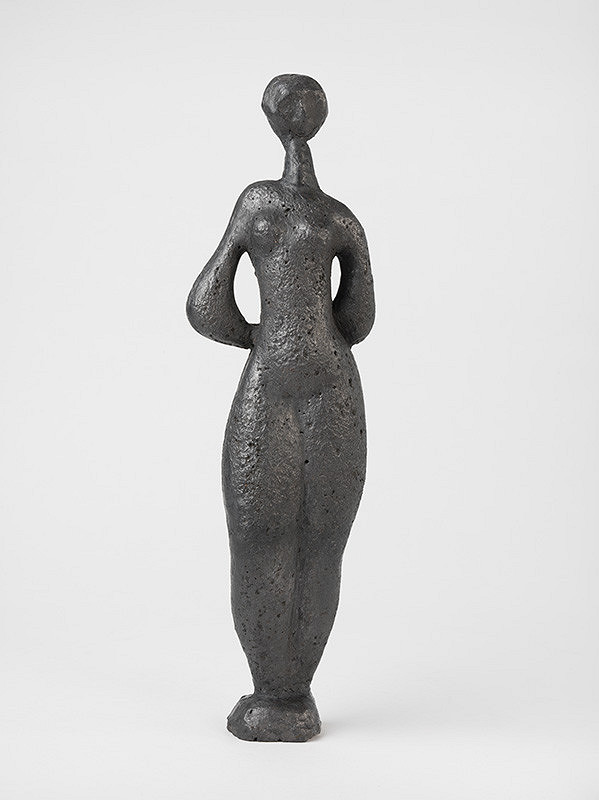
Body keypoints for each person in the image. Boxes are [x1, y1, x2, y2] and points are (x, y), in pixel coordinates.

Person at [187, 74, 375, 741]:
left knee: (260, 538)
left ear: (271, 119)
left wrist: (263, 339)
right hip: (335, 383)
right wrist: (313, 334)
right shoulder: (340, 219)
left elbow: (205, 304)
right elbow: (358, 319)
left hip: (271, 379)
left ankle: (272, 697)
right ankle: (295, 697)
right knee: (321, 544)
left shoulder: (258, 204)